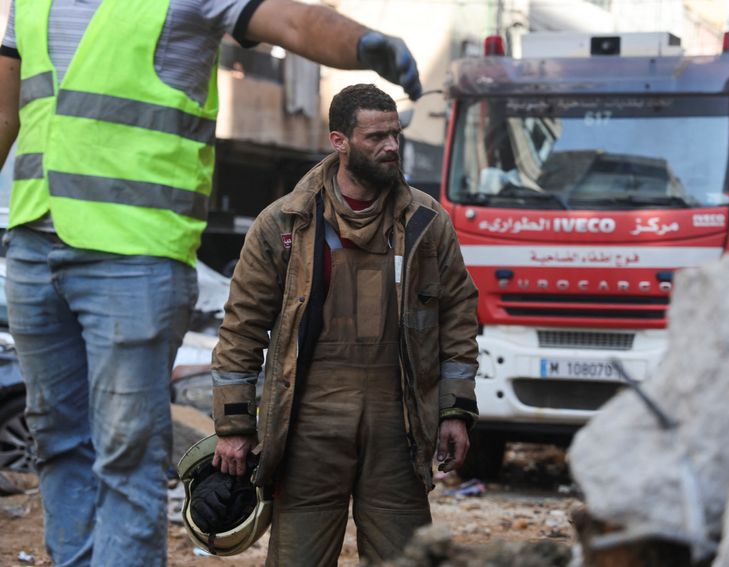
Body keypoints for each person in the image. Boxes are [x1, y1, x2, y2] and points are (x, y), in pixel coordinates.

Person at [0, 2, 422, 566]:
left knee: (127, 455)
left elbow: (293, 22)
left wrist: (364, 42)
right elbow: (6, 112)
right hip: (32, 242)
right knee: (55, 441)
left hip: (133, 251)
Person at [208, 83, 480, 565]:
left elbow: (458, 317)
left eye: (395, 134)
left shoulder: (427, 221)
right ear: (340, 142)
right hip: (308, 422)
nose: (391, 146)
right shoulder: (284, 224)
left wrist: (455, 411)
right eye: (376, 137)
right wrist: (233, 424)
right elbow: (242, 329)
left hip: (398, 422)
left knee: (407, 559)